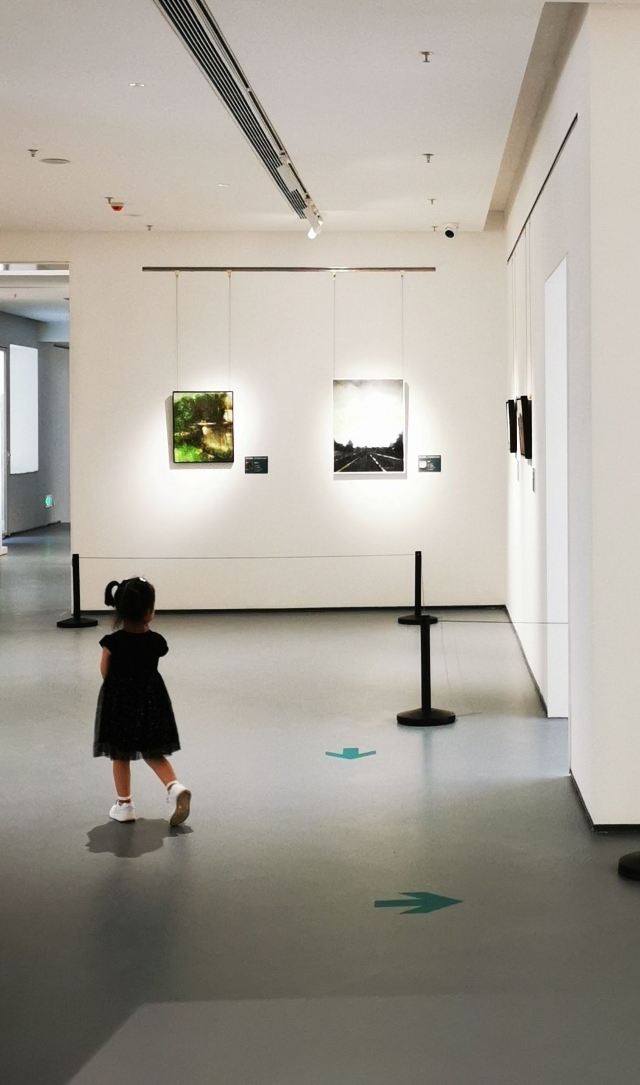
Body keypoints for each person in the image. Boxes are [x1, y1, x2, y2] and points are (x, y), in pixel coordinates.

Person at [93, 576, 191, 827]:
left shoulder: (112, 643)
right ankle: (174, 786)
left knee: (120, 755)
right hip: (151, 704)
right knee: (153, 751)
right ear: (149, 612)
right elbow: (158, 653)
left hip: (120, 705)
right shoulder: (156, 641)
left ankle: (124, 804)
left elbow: (105, 672)